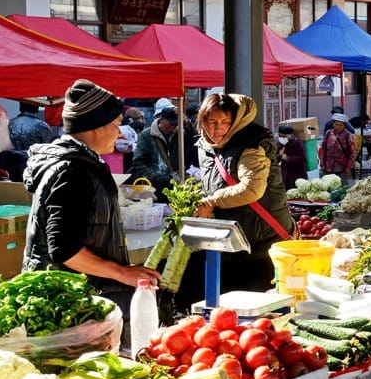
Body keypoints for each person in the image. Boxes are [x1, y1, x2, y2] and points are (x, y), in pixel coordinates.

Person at [23, 79, 161, 318]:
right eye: (116, 124)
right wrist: (120, 272)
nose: (119, 133)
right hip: (66, 305)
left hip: (76, 296)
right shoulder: (72, 170)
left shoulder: (79, 163)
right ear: (95, 126)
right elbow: (64, 249)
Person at [180, 92, 294, 310]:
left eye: (225, 122)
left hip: (261, 242)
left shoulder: (252, 144)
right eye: (211, 122)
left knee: (258, 311)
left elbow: (251, 189)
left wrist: (211, 202)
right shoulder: (206, 145)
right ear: (202, 120)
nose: (218, 129)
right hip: (231, 242)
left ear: (236, 121)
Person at [129, 107, 196, 198]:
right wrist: (156, 177)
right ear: (162, 120)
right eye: (171, 123)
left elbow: (196, 141)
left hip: (177, 187)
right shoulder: (147, 135)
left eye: (175, 124)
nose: (173, 127)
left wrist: (188, 124)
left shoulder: (181, 133)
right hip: (154, 188)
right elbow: (138, 162)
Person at [318, 112, 357, 182]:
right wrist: (322, 163)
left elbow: (352, 153)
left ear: (344, 126)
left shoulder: (348, 136)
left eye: (340, 125)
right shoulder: (328, 133)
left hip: (342, 169)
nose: (338, 127)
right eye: (336, 124)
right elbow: (323, 149)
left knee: (341, 188)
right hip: (328, 167)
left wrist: (349, 167)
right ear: (333, 124)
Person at [276, 124, 308, 189]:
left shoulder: (297, 143)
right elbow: (275, 160)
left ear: (290, 136)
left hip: (297, 175)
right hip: (285, 177)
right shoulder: (279, 144)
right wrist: (279, 155)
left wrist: (288, 158)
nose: (281, 138)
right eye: (280, 136)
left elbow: (303, 158)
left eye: (284, 136)